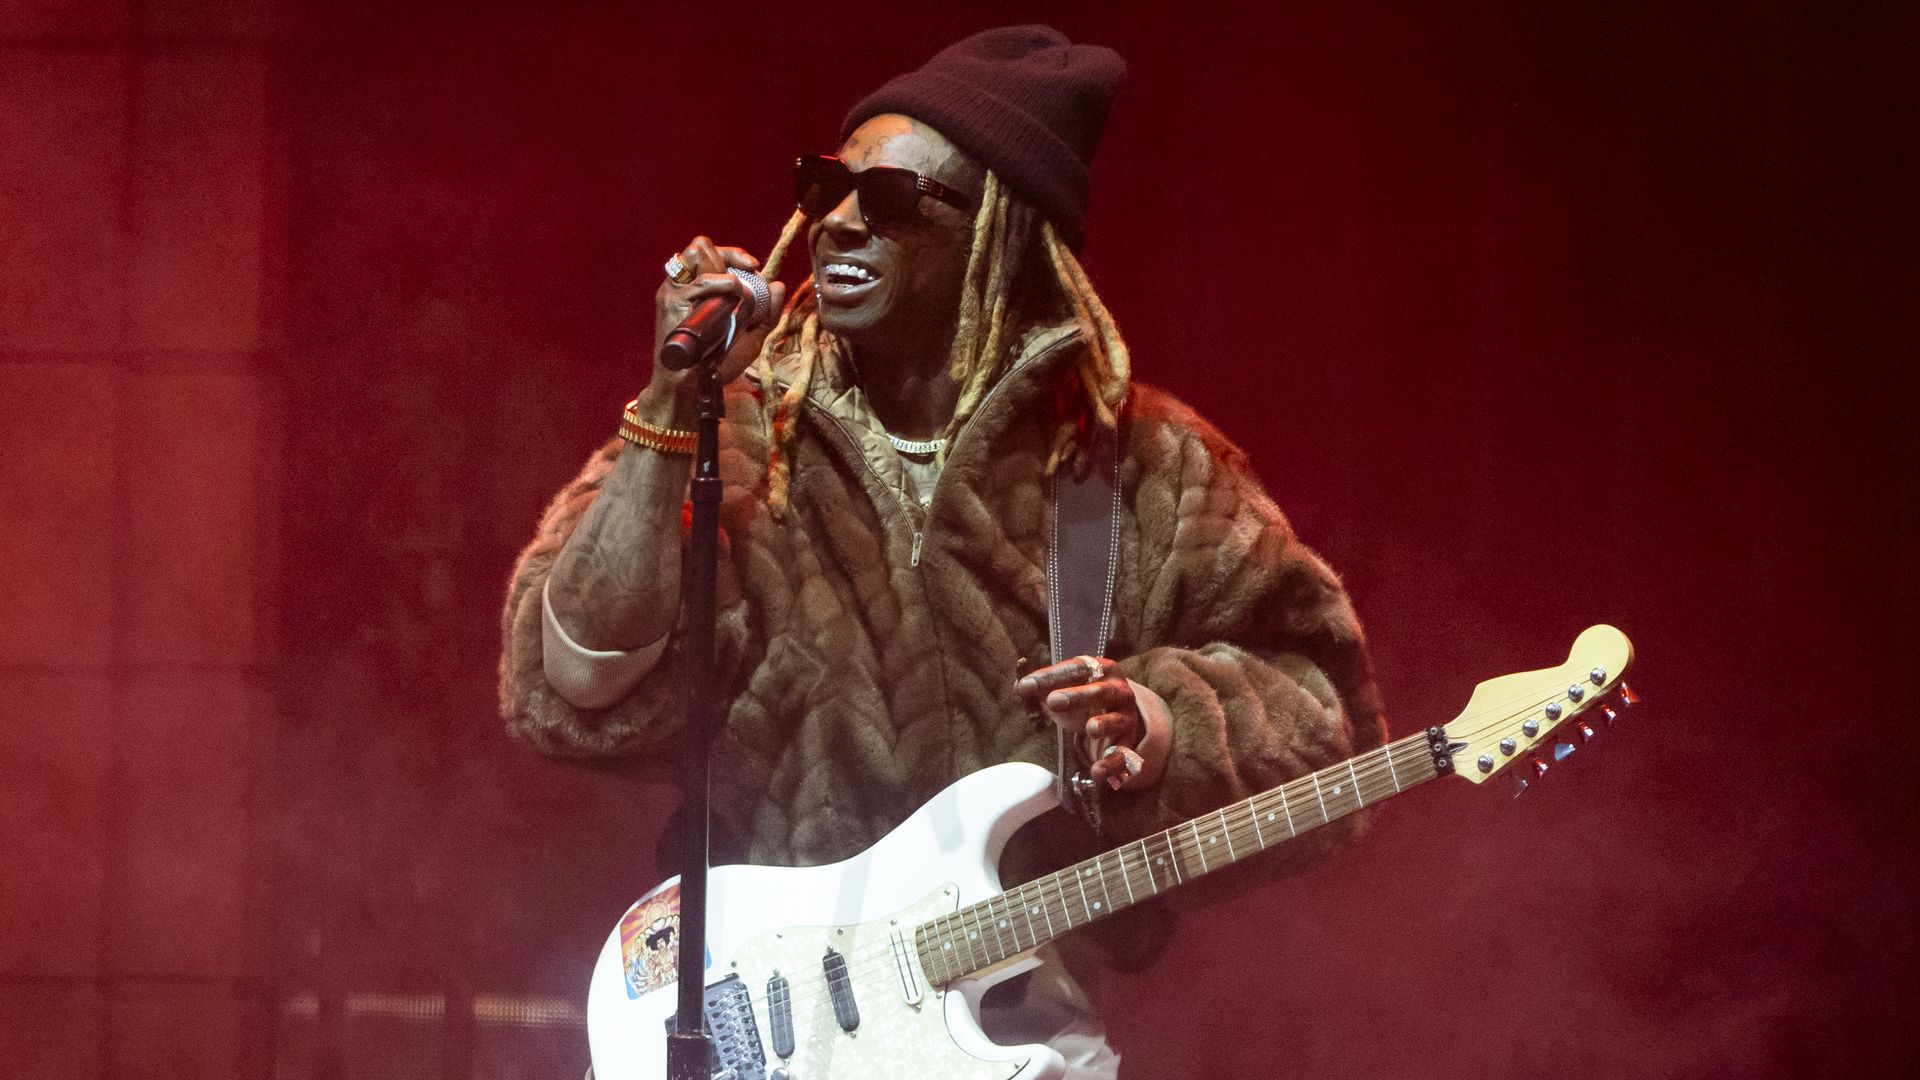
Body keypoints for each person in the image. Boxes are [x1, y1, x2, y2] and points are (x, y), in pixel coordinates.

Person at [500, 25, 1385, 1077]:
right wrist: (669, 403)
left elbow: (1329, 719)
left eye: (884, 202)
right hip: (770, 1034)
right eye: (825, 185)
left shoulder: (1138, 465)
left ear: (999, 237)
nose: (835, 224)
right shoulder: (732, 436)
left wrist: (1158, 725)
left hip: (1015, 1029)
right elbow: (571, 681)